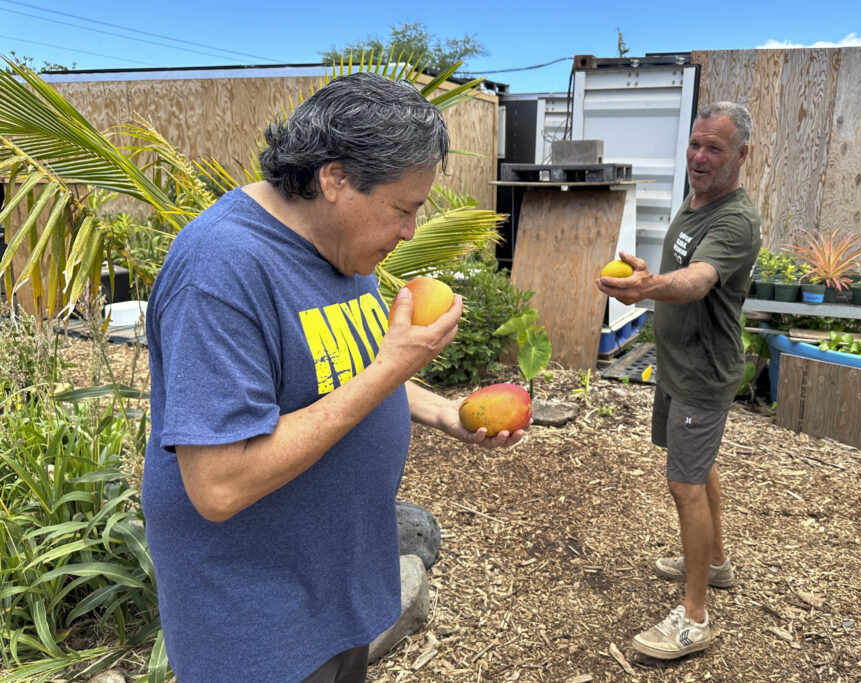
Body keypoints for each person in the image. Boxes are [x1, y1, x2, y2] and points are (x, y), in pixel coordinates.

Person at [142, 71, 526, 683]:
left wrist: (442, 413)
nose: (408, 232)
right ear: (336, 178)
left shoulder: (342, 244)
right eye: (403, 209)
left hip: (335, 589)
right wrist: (391, 368)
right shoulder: (221, 270)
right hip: (258, 624)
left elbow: (347, 371)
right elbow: (217, 485)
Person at [596, 101, 761, 659]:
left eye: (714, 148)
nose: (699, 156)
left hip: (702, 374)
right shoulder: (697, 200)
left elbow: (697, 281)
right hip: (676, 362)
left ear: (742, 156)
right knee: (699, 463)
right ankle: (714, 563)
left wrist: (649, 287)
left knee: (684, 484)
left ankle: (694, 619)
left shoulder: (734, 220)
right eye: (695, 144)